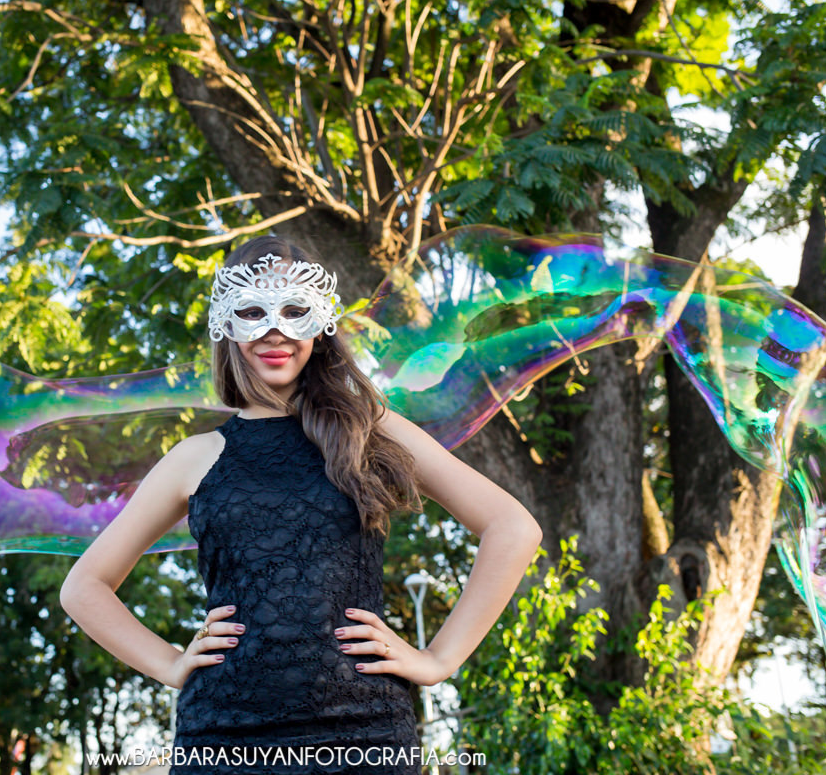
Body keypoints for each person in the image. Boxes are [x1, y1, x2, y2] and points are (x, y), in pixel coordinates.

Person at [60, 235, 543, 774]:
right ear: (226, 324)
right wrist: (170, 664)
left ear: (320, 323)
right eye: (252, 311)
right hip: (222, 738)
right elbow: (84, 587)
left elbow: (512, 527)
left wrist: (438, 659)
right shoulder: (194, 457)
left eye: (295, 310)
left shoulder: (369, 429)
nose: (275, 331)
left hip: (366, 734)